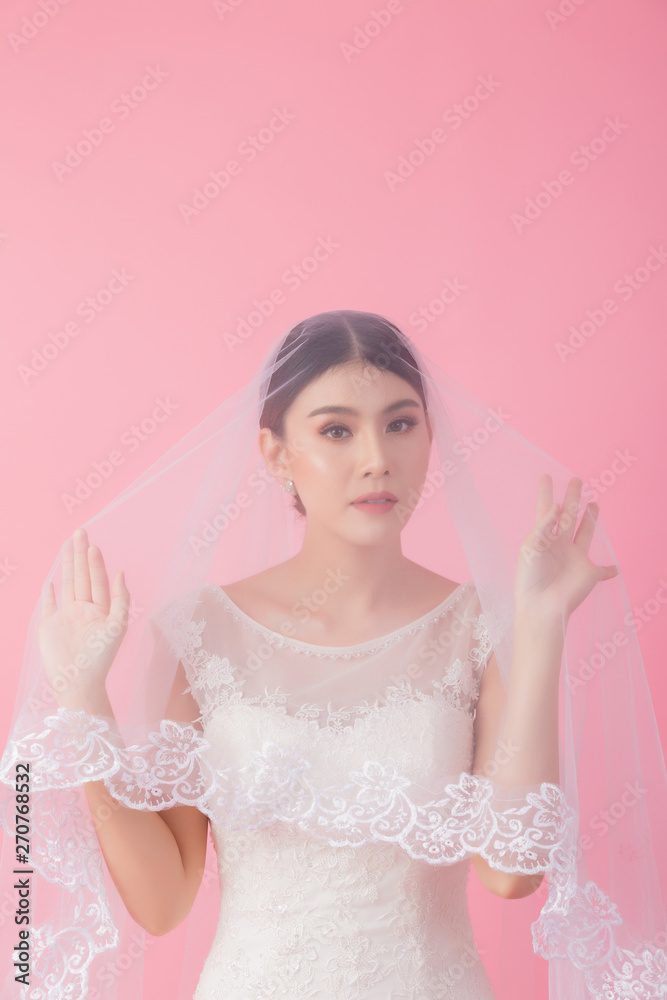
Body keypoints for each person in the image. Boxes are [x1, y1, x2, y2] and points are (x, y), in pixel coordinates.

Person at [0, 310, 665, 1000]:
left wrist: (542, 624)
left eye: (400, 424)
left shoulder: (483, 626)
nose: (376, 457)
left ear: (430, 437)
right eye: (336, 430)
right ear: (275, 453)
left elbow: (511, 870)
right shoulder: (199, 632)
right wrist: (83, 699)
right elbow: (163, 902)